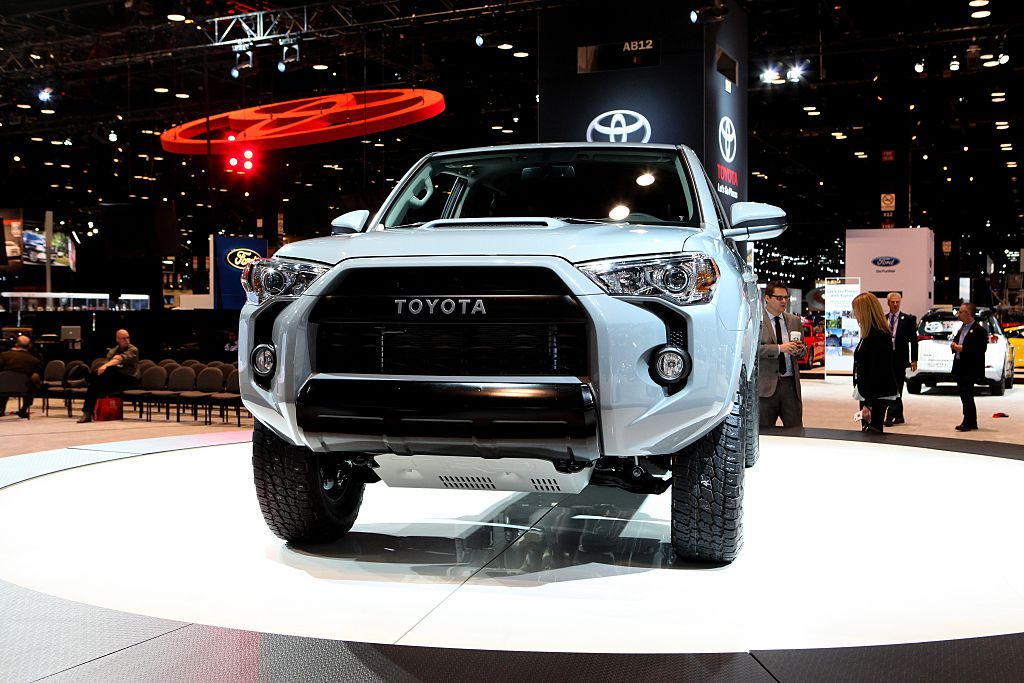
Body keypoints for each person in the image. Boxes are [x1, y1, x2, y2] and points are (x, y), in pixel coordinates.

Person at [758, 281, 804, 429]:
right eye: (779, 298)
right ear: (767, 298)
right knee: (763, 433)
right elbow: (753, 350)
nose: (784, 301)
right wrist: (779, 348)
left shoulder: (794, 321)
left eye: (786, 298)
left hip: (790, 386)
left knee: (796, 432)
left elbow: (802, 351)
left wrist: (800, 350)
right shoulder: (757, 321)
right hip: (766, 388)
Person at [851, 293, 899, 433]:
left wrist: (869, 404)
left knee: (873, 434)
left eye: (856, 310)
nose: (855, 315)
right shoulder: (869, 334)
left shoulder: (878, 336)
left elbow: (878, 372)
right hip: (868, 392)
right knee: (869, 433)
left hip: (875, 395)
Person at [77, 329, 140, 423]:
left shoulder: (133, 349)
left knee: (109, 369)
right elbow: (110, 360)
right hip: (116, 380)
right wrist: (105, 367)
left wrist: (105, 366)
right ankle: (87, 413)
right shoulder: (113, 350)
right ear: (117, 339)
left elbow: (118, 359)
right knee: (94, 384)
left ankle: (85, 381)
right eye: (123, 338)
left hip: (130, 380)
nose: (127, 340)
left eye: (128, 338)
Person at [950, 302, 988, 432]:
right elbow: (958, 342)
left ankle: (968, 420)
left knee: (967, 394)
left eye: (961, 312)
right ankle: (970, 420)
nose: (958, 314)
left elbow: (981, 349)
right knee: (963, 394)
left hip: (970, 368)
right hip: (960, 365)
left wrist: (963, 349)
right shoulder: (962, 328)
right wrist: (954, 346)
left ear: (969, 314)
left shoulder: (979, 330)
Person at [883, 292, 919, 427]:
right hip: (887, 359)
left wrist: (914, 359)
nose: (895, 304)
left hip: (900, 359)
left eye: (897, 302)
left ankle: (890, 415)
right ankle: (899, 415)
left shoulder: (908, 319)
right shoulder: (883, 318)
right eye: (892, 302)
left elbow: (914, 341)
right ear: (888, 303)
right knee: (891, 386)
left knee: (896, 387)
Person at [0, 335, 43, 418]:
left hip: (3, 387)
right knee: (34, 378)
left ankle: (1, 409)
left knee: (4, 379)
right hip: (23, 388)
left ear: (16, 344)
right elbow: (40, 374)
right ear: (29, 346)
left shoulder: (3, 355)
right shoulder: (34, 360)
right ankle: (24, 409)